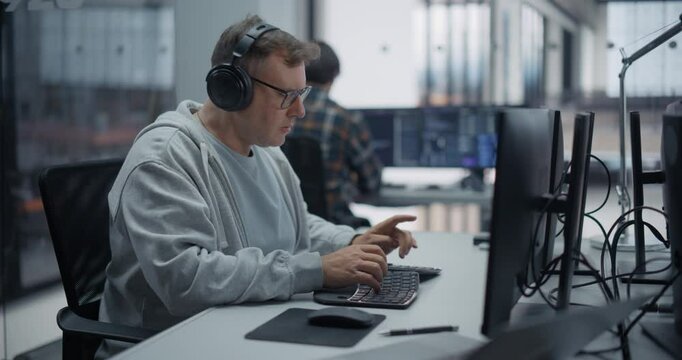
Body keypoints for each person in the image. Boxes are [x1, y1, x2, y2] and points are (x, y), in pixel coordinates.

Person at [97, 14, 417, 356]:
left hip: (245, 330)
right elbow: (186, 280)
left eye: (303, 93)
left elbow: (297, 225)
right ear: (231, 89)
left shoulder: (267, 153)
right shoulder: (164, 158)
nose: (300, 111)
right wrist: (318, 270)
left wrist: (353, 241)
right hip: (171, 345)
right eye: (287, 96)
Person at [290, 41, 383, 227]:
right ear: (333, 77)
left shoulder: (277, 114)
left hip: (289, 222)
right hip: (333, 225)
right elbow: (371, 182)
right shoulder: (345, 119)